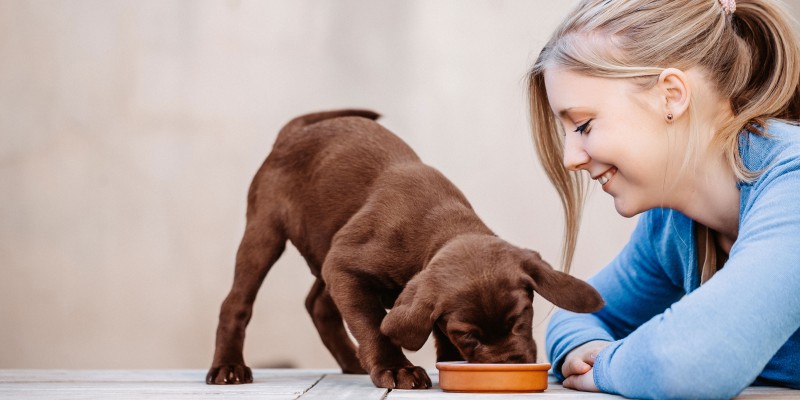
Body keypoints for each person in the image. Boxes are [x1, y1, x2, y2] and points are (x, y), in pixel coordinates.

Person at [527, 0, 800, 398]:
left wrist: (606, 365)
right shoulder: (672, 226)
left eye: (583, 126)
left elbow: (687, 362)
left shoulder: (792, 181)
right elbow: (576, 312)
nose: (570, 159)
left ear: (671, 95)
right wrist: (585, 348)